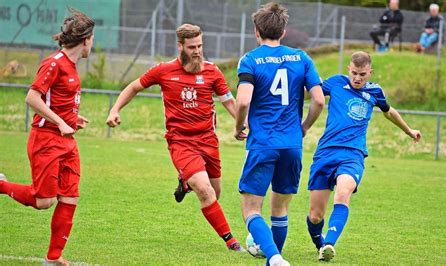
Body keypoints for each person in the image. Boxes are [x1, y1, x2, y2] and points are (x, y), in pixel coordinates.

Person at [105, 24, 244, 252]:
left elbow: (228, 100)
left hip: (208, 140)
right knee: (205, 190)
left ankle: (185, 183)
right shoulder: (163, 70)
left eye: (200, 45)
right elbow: (133, 87)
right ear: (180, 46)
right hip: (181, 142)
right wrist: (115, 109)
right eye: (192, 47)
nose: (197, 51)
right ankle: (232, 242)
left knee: (214, 193)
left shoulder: (212, 71)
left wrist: (243, 123)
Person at [306, 51, 422, 262]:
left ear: (370, 72)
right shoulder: (334, 83)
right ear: (348, 70)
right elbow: (309, 93)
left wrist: (408, 130)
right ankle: (320, 244)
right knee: (315, 216)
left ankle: (330, 243)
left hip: (353, 154)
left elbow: (389, 111)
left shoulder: (375, 91)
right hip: (325, 153)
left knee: (343, 193)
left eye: (362, 74)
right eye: (354, 73)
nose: (357, 78)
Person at [0, 8, 94, 266]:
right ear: (85, 40)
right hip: (46, 140)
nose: (92, 45)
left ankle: (53, 258)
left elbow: (59, 101)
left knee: (70, 197)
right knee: (44, 201)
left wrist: (74, 119)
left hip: (67, 141)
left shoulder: (72, 66)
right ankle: (1, 186)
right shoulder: (54, 63)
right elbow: (32, 97)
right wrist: (62, 123)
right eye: (92, 39)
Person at [234, 3, 325, 265]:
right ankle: (274, 258)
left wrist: (239, 125)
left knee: (251, 209)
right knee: (280, 208)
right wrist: (305, 126)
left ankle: (273, 256)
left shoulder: (250, 59)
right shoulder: (302, 58)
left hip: (263, 142)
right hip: (292, 144)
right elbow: (318, 100)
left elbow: (242, 102)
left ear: (256, 31)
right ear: (283, 31)